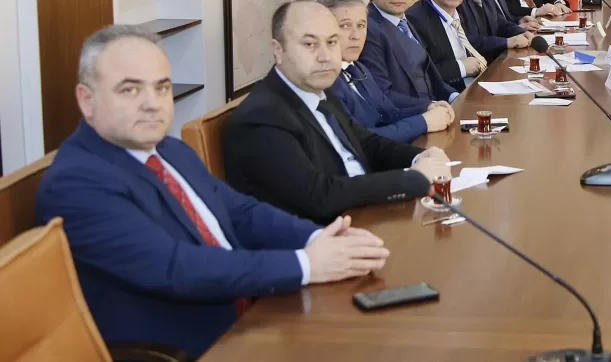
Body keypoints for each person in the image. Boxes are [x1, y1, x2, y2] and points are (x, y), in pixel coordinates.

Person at [36, 25, 391, 359]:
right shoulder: (78, 183)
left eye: (161, 87)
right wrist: (307, 264)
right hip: (192, 344)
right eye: (130, 90)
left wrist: (320, 239)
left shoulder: (169, 150)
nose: (152, 103)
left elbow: (241, 213)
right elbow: (175, 268)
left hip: (254, 314)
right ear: (87, 100)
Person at [224, 0, 452, 223]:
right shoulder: (262, 117)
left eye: (332, 42)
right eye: (309, 44)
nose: (325, 56)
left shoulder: (320, 91)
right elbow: (319, 195)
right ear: (278, 50)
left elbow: (366, 144)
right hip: (327, 233)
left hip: (364, 214)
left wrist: (418, 156)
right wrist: (409, 179)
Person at [318, 0, 455, 143]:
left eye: (361, 25)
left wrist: (427, 108)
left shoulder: (358, 68)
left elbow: (389, 113)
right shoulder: (325, 82)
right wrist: (424, 122)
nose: (356, 35)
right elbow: (361, 141)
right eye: (345, 26)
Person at [359, 0, 459, 109]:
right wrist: (430, 107)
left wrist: (455, 97)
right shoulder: (368, 29)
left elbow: (431, 77)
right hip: (412, 116)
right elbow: (382, 94)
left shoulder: (405, 21)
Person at [405, 0, 489, 91]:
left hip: (475, 87)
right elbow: (420, 74)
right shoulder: (415, 20)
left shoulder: (460, 11)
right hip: (448, 96)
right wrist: (461, 67)